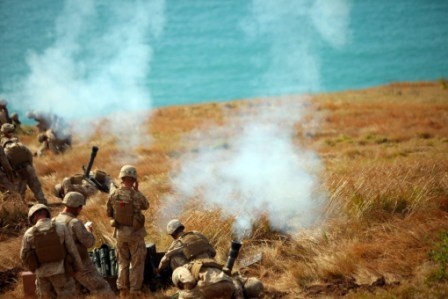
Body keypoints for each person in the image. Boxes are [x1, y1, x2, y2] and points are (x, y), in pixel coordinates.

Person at [54, 192, 115, 297]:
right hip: (81, 264)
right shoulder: (75, 222)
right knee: (102, 288)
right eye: (80, 206)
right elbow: (89, 243)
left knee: (76, 292)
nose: (81, 209)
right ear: (77, 207)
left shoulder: (54, 221)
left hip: (63, 265)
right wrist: (88, 230)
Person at [20, 203, 84, 298]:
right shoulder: (61, 227)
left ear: (33, 217)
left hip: (42, 275)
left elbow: (23, 256)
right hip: (61, 272)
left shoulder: (28, 233)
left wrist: (34, 270)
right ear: (47, 214)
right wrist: (78, 268)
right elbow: (72, 249)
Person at [106, 165, 149, 294]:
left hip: (120, 233)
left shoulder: (114, 194)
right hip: (135, 234)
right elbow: (146, 205)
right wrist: (137, 190)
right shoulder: (136, 195)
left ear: (121, 177)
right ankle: (135, 290)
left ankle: (123, 288)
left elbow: (108, 212)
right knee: (137, 263)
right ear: (134, 179)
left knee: (122, 262)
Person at [1, 123, 48, 204]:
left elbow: (5, 162)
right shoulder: (17, 141)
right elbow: (29, 154)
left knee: (19, 190)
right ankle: (42, 202)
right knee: (35, 186)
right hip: (28, 166)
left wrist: (11, 173)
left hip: (17, 170)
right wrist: (30, 165)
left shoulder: (3, 142)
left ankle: (20, 206)